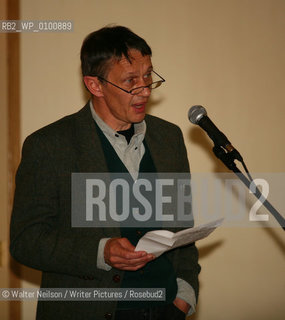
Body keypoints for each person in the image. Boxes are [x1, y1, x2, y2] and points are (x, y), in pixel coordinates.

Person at [10, 25, 200, 320]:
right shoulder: (49, 145)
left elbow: (182, 230)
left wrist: (184, 297)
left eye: (148, 76)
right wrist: (100, 252)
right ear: (95, 85)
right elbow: (26, 242)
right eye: (131, 81)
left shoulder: (169, 138)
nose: (145, 90)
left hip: (166, 308)